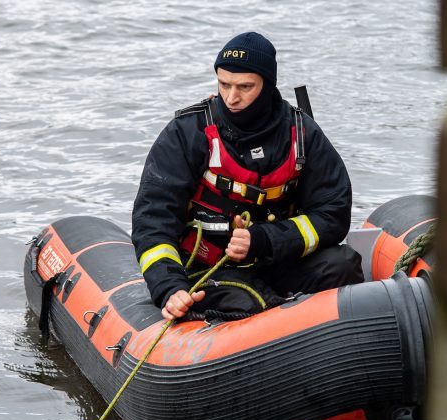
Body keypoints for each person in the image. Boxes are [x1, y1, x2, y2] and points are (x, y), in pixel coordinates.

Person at [131, 32, 363, 321]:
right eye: (224, 84)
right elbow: (152, 220)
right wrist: (169, 288)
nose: (231, 97)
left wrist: (266, 240)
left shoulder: (303, 134)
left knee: (342, 264)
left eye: (245, 87)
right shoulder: (186, 132)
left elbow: (333, 213)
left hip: (279, 258)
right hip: (209, 270)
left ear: (267, 85)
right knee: (250, 302)